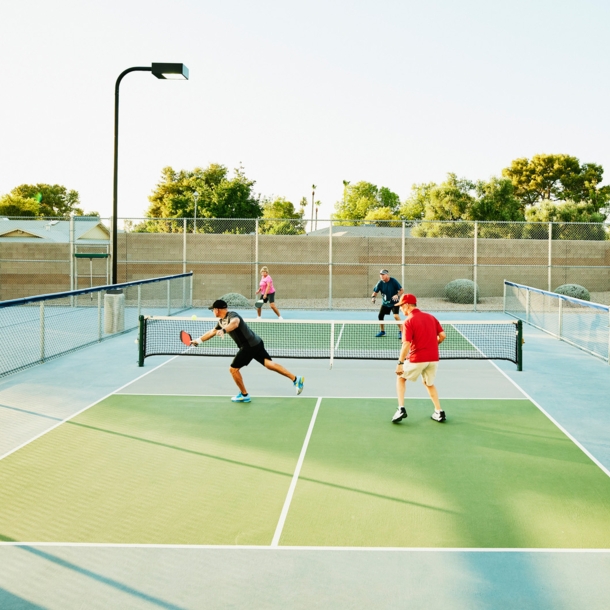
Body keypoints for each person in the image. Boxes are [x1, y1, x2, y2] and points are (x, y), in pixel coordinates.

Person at [191, 299, 303, 402]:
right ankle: (295, 379)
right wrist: (197, 341)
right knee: (269, 364)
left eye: (213, 310)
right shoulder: (221, 321)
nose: (212, 312)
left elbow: (235, 323)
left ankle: (244, 395)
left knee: (233, 369)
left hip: (248, 346)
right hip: (256, 342)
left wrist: (224, 330)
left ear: (217, 310)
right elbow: (212, 332)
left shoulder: (232, 315)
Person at [392, 293, 446, 424]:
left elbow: (406, 344)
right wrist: (433, 345)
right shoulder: (431, 317)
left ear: (407, 305)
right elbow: (443, 335)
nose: (400, 309)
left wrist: (400, 363)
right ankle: (439, 412)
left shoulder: (409, 321)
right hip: (433, 359)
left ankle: (401, 409)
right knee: (428, 383)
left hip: (417, 358)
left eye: (401, 306)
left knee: (400, 377)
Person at [371, 269, 404, 338]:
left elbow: (401, 290)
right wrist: (373, 297)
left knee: (396, 316)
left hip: (394, 303)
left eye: (383, 274)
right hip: (385, 303)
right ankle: (382, 332)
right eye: (380, 274)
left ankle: (401, 331)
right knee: (380, 316)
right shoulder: (380, 283)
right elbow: (375, 292)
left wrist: (397, 295)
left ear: (387, 275)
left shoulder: (393, 281)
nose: (381, 276)